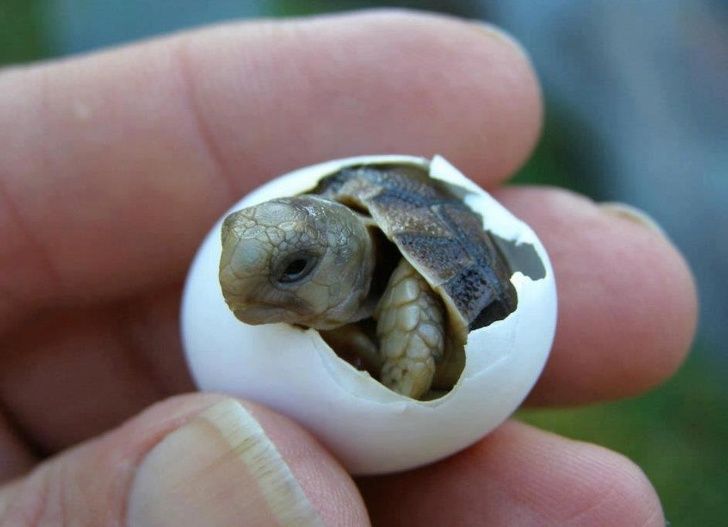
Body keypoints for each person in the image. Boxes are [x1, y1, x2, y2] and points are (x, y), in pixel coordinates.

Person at [0, 10, 697, 526]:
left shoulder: (406, 285)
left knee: (413, 313)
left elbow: (415, 375)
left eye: (295, 268)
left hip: (428, 261)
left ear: (339, 255)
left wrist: (400, 395)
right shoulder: (292, 238)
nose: (239, 292)